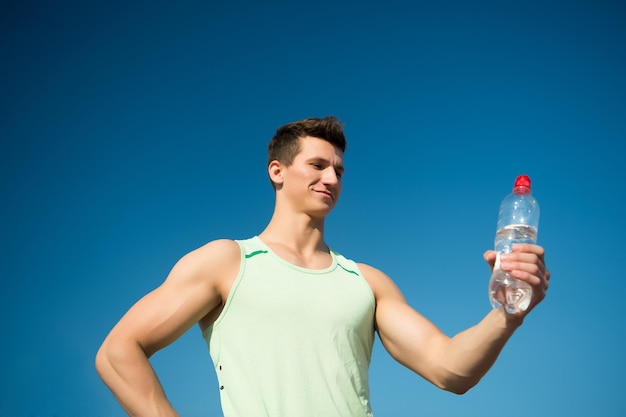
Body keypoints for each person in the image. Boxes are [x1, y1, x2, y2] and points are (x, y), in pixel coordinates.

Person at [95, 116, 550, 417]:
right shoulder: (227, 261)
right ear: (277, 171)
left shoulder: (366, 282)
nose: (331, 178)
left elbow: (451, 370)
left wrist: (508, 315)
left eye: (338, 170)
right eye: (316, 165)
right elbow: (118, 352)